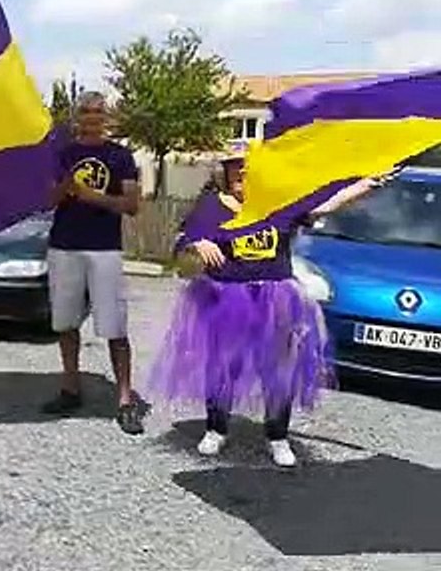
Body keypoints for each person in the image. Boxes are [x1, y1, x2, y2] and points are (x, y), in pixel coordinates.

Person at [147, 154, 387, 467]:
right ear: (225, 174)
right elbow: (182, 245)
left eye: (248, 172)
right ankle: (216, 429)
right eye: (236, 171)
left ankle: (277, 436)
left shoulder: (280, 205)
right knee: (222, 368)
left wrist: (363, 184)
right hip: (227, 300)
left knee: (279, 370)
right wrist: (196, 245)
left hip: (276, 298)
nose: (241, 177)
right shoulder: (211, 207)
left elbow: (326, 203)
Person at [42, 91, 144, 434]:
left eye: (98, 111)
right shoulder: (63, 154)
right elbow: (47, 200)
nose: (91, 117)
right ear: (77, 116)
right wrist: (65, 187)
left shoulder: (120, 156)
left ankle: (126, 400)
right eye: (85, 111)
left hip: (104, 249)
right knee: (66, 323)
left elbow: (131, 205)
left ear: (107, 117)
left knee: (114, 326)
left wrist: (92, 197)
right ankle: (70, 388)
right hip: (64, 247)